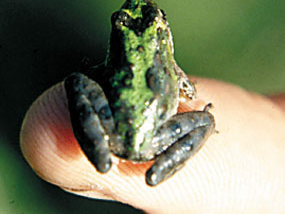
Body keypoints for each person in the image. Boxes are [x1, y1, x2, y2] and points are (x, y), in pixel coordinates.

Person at [20, 77, 285, 213]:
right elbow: (190, 93)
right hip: (154, 140)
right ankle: (159, 169)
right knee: (206, 120)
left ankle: (102, 156)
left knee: (77, 80)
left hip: (115, 131)